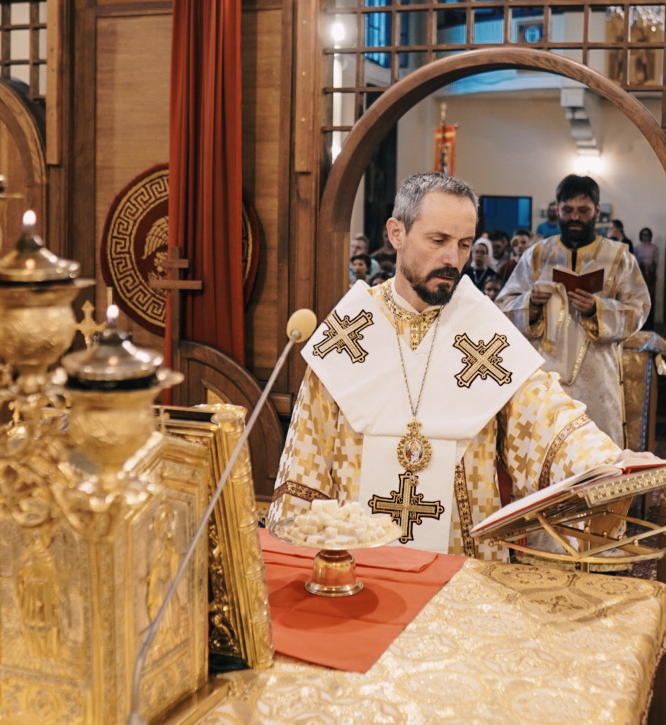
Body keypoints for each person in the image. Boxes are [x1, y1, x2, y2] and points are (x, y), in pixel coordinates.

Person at [271, 172, 639, 557]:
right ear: (396, 233)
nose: (453, 259)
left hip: (461, 563)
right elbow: (307, 459)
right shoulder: (350, 332)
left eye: (464, 244)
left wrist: (607, 462)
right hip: (355, 562)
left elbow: (545, 416)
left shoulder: (481, 328)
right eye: (438, 240)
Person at [497, 175, 651, 445]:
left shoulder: (619, 258)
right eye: (567, 210)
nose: (574, 217)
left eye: (583, 210)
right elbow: (503, 307)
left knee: (596, 449)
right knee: (543, 446)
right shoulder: (537, 255)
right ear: (557, 209)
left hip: (598, 375)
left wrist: (597, 309)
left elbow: (639, 308)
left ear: (597, 210)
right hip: (545, 372)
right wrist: (531, 303)